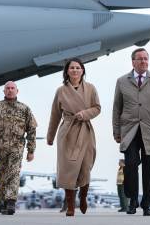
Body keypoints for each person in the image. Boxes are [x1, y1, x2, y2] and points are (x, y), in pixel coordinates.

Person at [112, 48, 150, 216]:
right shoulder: (122, 81)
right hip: (129, 131)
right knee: (130, 165)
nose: (144, 61)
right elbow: (117, 108)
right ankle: (132, 200)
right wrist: (116, 131)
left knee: (149, 169)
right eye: (140, 59)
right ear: (133, 62)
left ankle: (147, 204)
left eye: (146, 59)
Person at [47, 58, 101, 217]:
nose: (75, 70)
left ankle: (83, 197)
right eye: (72, 68)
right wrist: (50, 136)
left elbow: (97, 108)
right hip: (67, 132)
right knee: (68, 169)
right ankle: (70, 204)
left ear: (83, 70)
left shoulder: (91, 88)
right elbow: (55, 115)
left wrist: (84, 114)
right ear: (67, 71)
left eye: (78, 68)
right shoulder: (61, 91)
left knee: (85, 167)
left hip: (85, 131)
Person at [0, 81, 37, 215]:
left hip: (16, 148)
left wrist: (31, 150)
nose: (10, 90)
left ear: (17, 91)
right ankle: (4, 202)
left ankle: (11, 202)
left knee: (13, 173)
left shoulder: (24, 109)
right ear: (4, 91)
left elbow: (32, 130)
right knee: (1, 175)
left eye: (13, 88)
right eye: (7, 88)